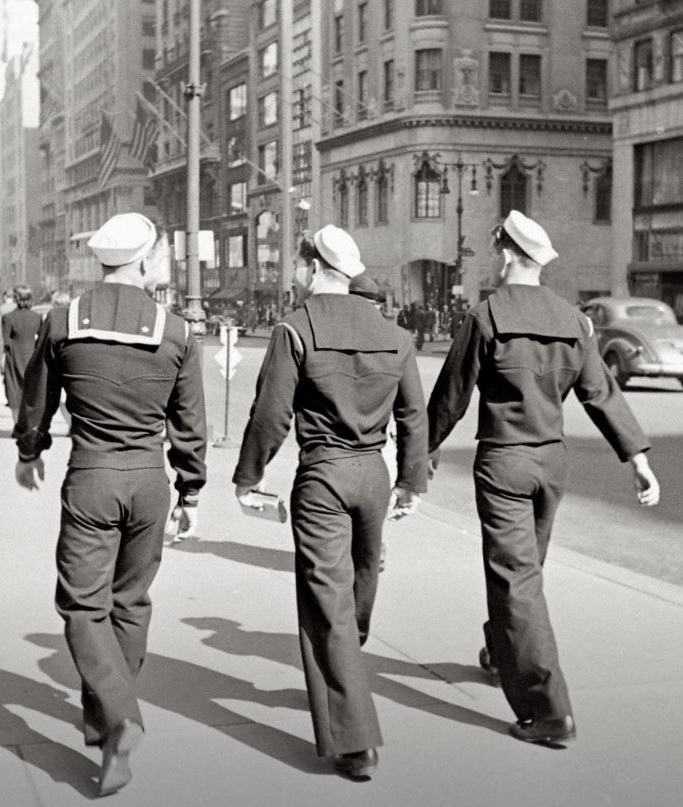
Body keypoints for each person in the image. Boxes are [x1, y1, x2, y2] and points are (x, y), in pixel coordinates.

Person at [427, 210, 659, 746]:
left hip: (504, 464)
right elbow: (601, 393)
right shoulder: (573, 320)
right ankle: (499, 651)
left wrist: (422, 454)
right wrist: (638, 458)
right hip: (552, 465)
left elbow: (450, 397)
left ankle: (549, 710)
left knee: (516, 580)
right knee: (524, 573)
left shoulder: (486, 317)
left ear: (505, 253)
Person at [13, 213, 207, 796]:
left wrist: (30, 451)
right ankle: (108, 732)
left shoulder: (64, 321)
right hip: (150, 481)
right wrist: (191, 490)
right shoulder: (176, 329)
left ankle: (118, 717)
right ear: (145, 261)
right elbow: (190, 423)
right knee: (130, 602)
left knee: (79, 605)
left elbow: (36, 401)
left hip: (92, 477)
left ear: (101, 260)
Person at [233, 225, 428, 780]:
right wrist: (410, 481)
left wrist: (248, 477)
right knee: (359, 586)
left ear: (314, 266)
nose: (294, 276)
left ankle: (354, 738)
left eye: (297, 266)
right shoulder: (395, 333)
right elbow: (413, 415)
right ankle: (345, 674)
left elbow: (271, 416)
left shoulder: (295, 329)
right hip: (374, 474)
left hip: (322, 474)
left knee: (327, 602)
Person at [2, 286, 43, 422]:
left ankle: (18, 425)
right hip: (32, 358)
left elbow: (6, 342)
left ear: (16, 298)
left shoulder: (8, 318)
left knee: (14, 393)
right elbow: (41, 340)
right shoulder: (37, 317)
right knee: (31, 391)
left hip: (14, 358)